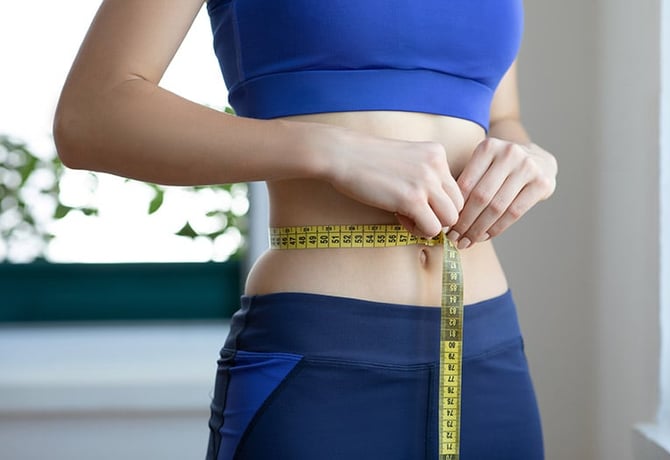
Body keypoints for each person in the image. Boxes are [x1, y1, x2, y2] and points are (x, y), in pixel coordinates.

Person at [55, 1, 557, 458]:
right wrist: (333, 152)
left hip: (488, 348)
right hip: (319, 350)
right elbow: (91, 115)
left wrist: (527, 157)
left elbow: (498, 113)